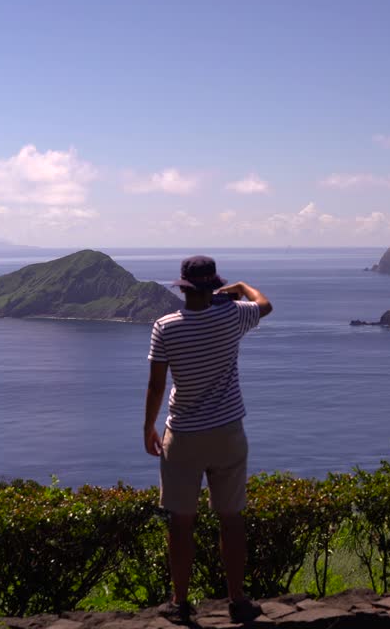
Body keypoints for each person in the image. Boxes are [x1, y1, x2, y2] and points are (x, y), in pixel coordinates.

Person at [143, 255, 273, 623]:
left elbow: (156, 385)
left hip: (183, 434)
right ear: (214, 285)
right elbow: (265, 304)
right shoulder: (233, 316)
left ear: (183, 286)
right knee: (231, 519)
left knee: (181, 522)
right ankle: (238, 600)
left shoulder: (165, 326)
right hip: (228, 432)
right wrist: (241, 287)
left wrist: (148, 427)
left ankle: (180, 602)